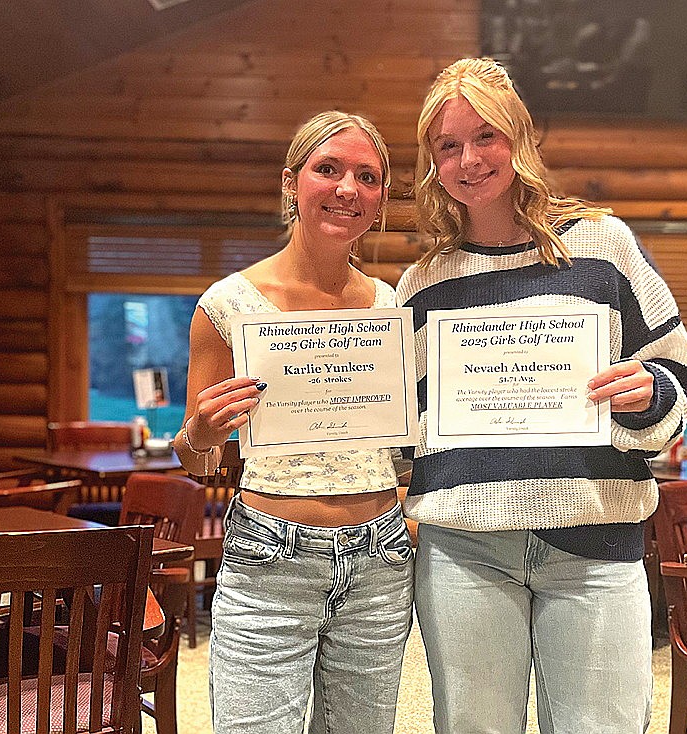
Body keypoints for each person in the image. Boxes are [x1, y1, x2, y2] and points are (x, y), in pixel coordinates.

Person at [396, 57, 687, 733]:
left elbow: (676, 379)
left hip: (596, 542)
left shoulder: (603, 245)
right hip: (463, 548)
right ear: (432, 162)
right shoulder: (423, 284)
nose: (469, 160)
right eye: (448, 145)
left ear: (521, 138)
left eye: (487, 136)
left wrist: (648, 394)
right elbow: (405, 431)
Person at [173, 111, 413, 734]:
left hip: (381, 561)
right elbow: (195, 460)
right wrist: (203, 432)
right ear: (290, 182)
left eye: (367, 176)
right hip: (269, 559)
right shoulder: (228, 305)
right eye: (327, 169)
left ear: (382, 197)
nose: (347, 188)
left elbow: (400, 445)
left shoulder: (391, 306)